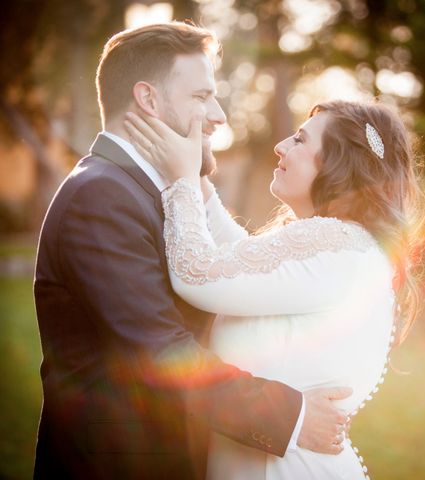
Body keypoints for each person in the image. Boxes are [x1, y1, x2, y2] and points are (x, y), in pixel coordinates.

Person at [33, 22, 350, 480]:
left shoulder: (141, 191)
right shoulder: (100, 197)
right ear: (148, 99)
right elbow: (161, 352)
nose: (218, 115)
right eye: (201, 98)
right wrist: (293, 415)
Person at [124, 97, 425, 479]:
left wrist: (180, 178)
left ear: (338, 167)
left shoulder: (336, 246)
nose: (281, 145)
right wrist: (198, 173)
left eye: (300, 140)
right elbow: (235, 259)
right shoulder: (343, 245)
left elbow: (197, 273)